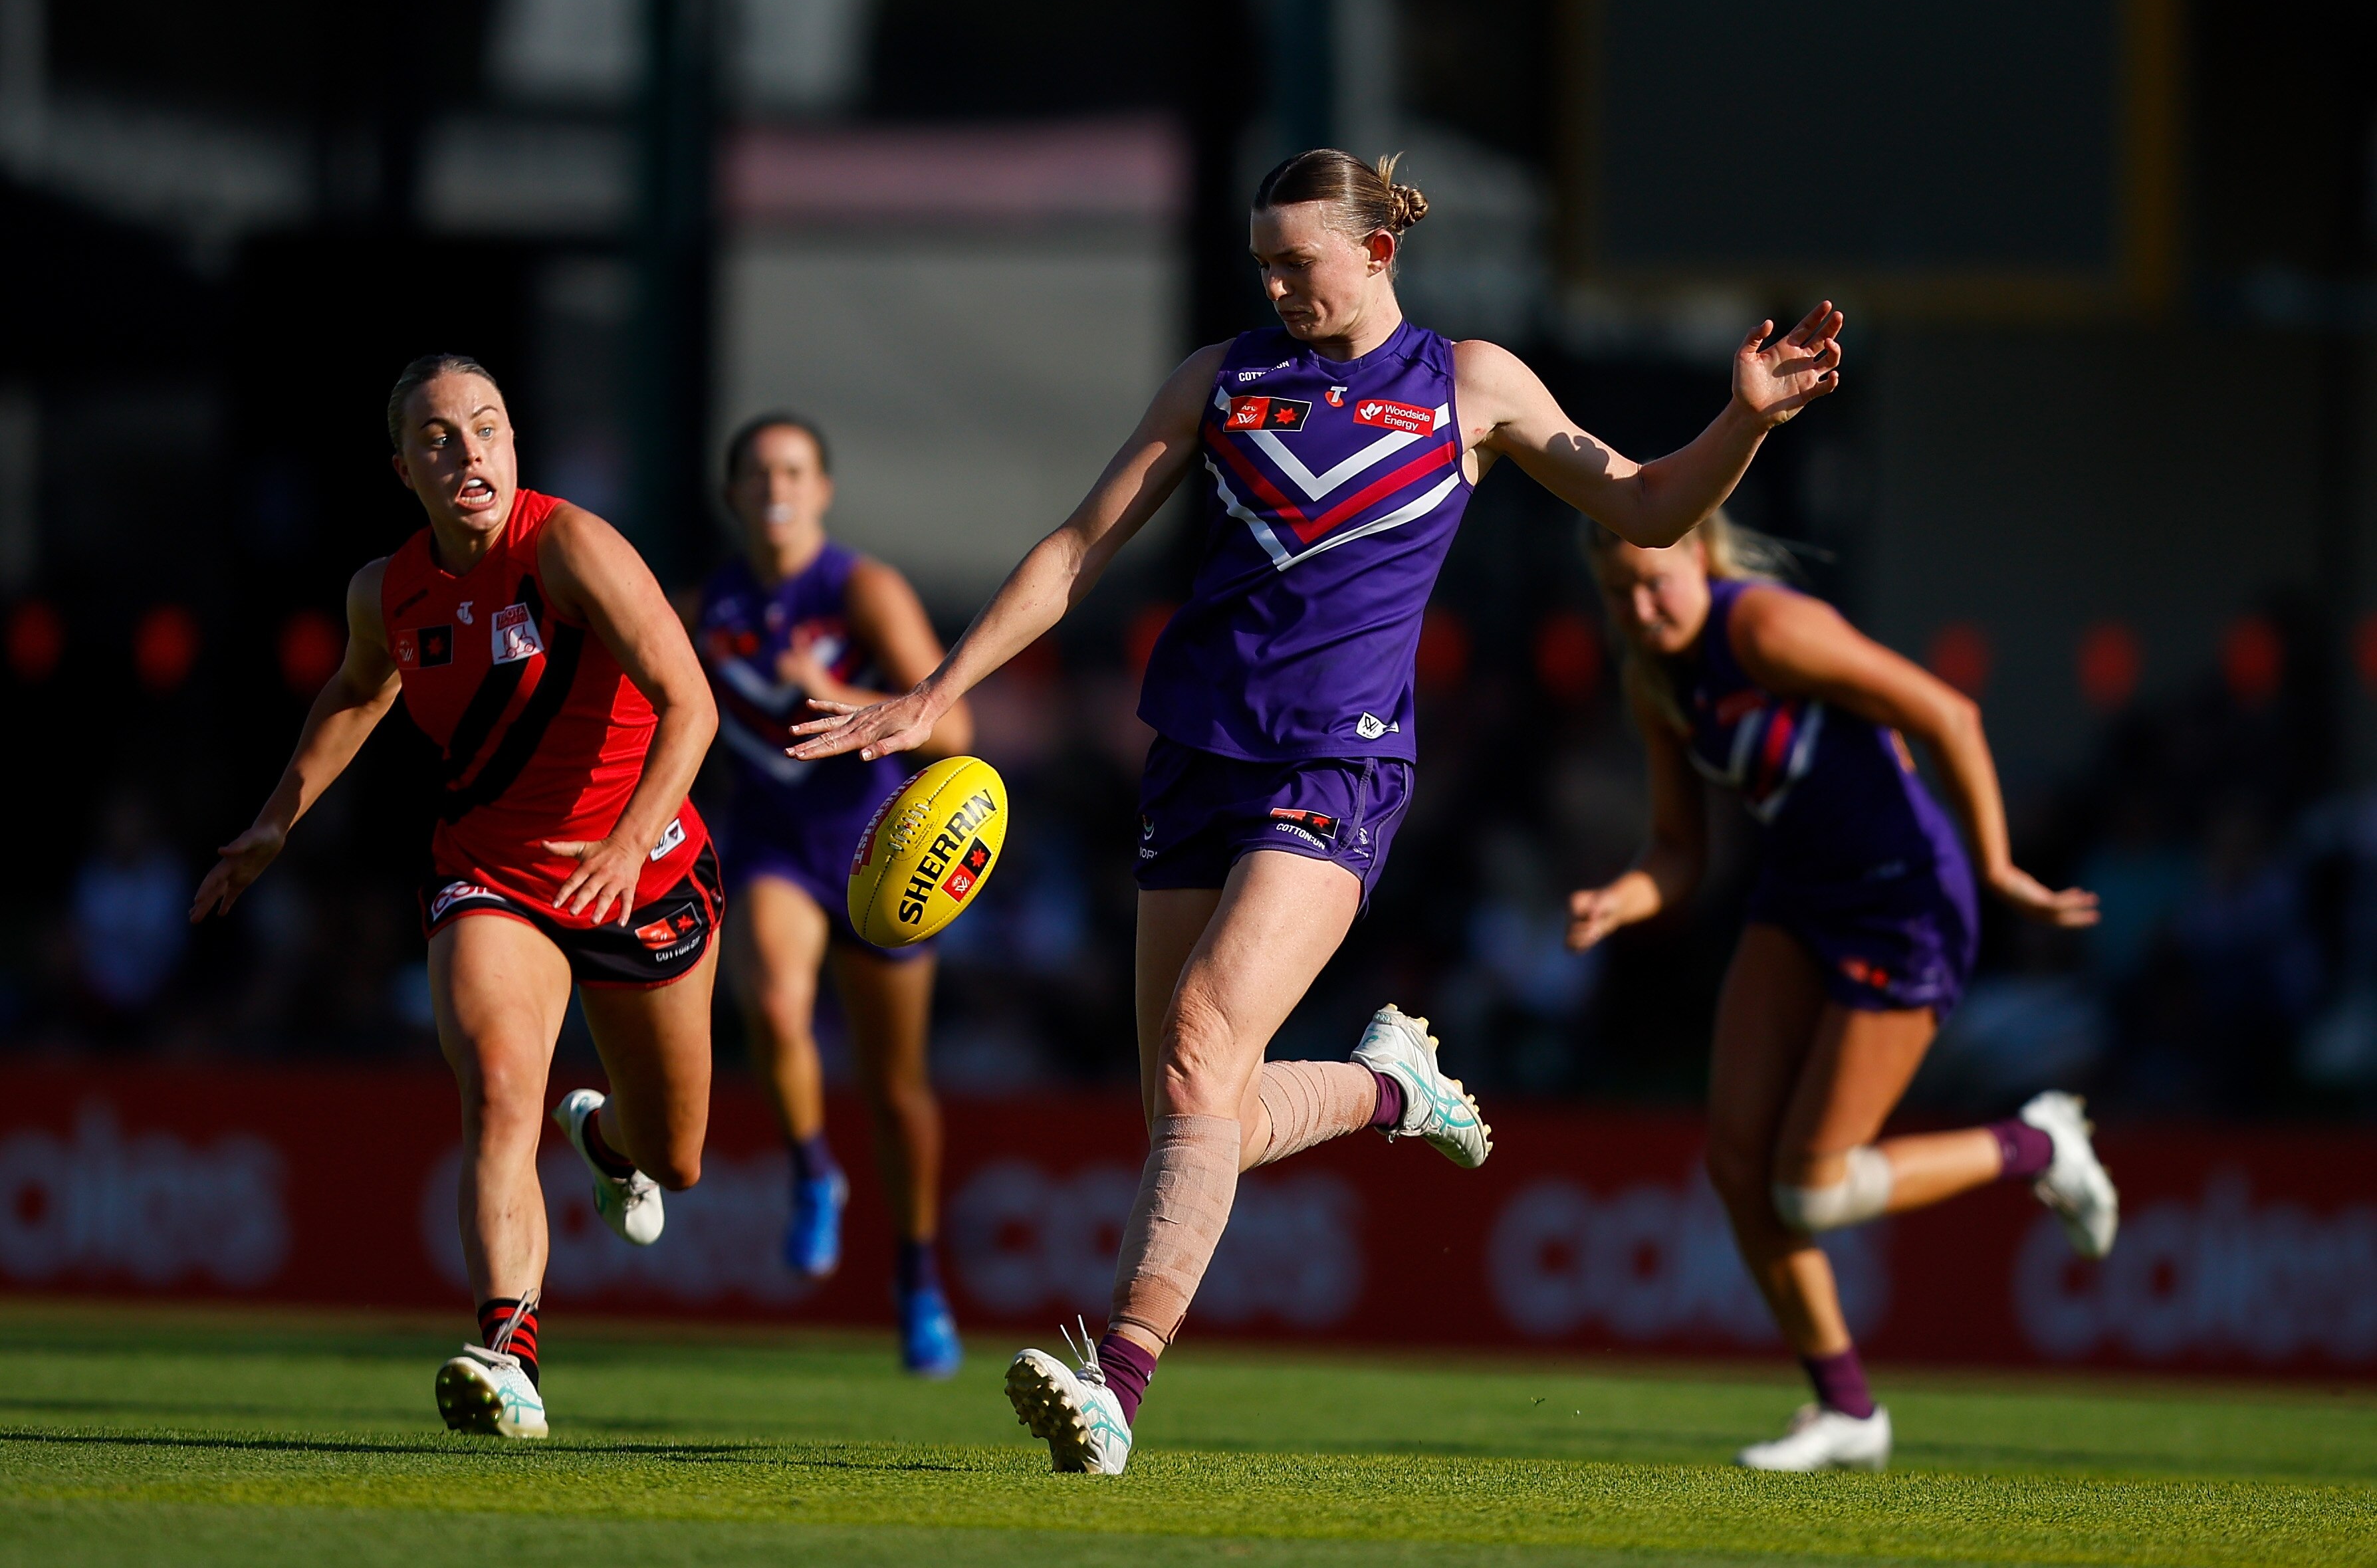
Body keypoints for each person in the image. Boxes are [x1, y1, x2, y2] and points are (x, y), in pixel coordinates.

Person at [790, 149, 1846, 1474]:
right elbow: (1076, 550)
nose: (1281, 283)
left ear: (1378, 252)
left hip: (1336, 766)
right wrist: (934, 687)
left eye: (1303, 258)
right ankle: (1387, 1087)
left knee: (1197, 1050)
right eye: (1266, 261)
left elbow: (1647, 504)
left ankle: (1114, 1389)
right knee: (1190, 1105)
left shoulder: (1470, 383)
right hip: (1193, 755)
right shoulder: (1221, 378)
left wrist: (1744, 418)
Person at [190, 355, 723, 1439]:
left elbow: (691, 704)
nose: (468, 451)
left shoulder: (571, 545)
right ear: (406, 468)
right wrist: (276, 819)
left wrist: (625, 842)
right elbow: (356, 688)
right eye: (438, 437)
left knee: (678, 1152)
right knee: (495, 1085)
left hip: (646, 873)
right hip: (494, 876)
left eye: (487, 427)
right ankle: (507, 1352)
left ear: (516, 446)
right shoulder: (385, 590)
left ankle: (611, 1145)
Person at [1569, 512, 2117, 1472]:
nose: (1641, 607)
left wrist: (1995, 865)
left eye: (1656, 580)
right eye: (1619, 592)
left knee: (1810, 1193)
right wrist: (1622, 897)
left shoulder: (1765, 630)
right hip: (1800, 900)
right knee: (1739, 1168)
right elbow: (1680, 850)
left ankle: (2038, 1144)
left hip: (1904, 905)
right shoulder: (1654, 680)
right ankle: (1847, 1411)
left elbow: (1948, 714)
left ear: (1702, 554)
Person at [693, 412, 974, 1376]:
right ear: (733, 494)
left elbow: (956, 726)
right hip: (772, 844)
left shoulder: (861, 589)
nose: (778, 485)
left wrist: (844, 698)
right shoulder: (709, 606)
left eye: (796, 469)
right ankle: (814, 1174)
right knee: (772, 1001)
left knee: (896, 1091)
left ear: (823, 489)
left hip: (883, 855)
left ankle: (917, 1276)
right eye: (760, 471)